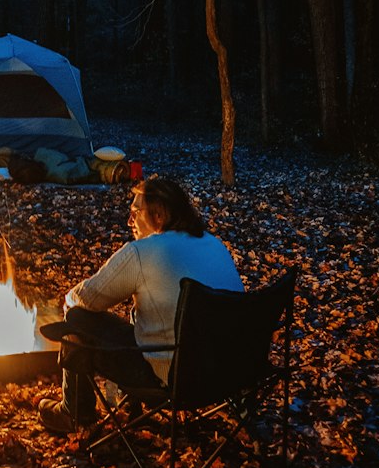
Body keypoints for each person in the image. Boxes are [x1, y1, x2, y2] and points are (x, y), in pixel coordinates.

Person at [38, 175, 244, 434]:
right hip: (230, 373)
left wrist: (69, 302)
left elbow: (86, 298)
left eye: (136, 212)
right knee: (146, 311)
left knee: (77, 316)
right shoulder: (213, 244)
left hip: (177, 380)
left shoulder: (143, 252)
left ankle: (74, 412)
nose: (129, 220)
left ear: (159, 216)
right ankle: (127, 405)